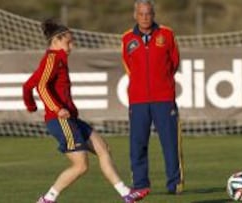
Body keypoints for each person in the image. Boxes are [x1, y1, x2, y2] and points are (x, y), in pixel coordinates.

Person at [22, 19, 149, 203]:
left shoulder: (58, 60)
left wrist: (30, 105)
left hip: (71, 119)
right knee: (81, 166)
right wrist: (56, 109)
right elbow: (41, 86)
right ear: (56, 41)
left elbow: (29, 85)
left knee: (103, 148)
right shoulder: (52, 58)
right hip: (60, 120)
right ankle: (47, 199)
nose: (72, 46)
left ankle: (125, 193)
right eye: (69, 42)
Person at [121, 0, 184, 195]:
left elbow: (174, 62)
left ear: (153, 14)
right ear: (135, 15)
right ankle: (140, 185)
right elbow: (128, 66)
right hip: (138, 101)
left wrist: (162, 82)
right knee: (138, 144)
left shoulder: (167, 34)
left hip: (164, 99)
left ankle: (175, 184)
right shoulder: (127, 38)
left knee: (170, 143)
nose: (145, 17)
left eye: (148, 13)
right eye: (141, 14)